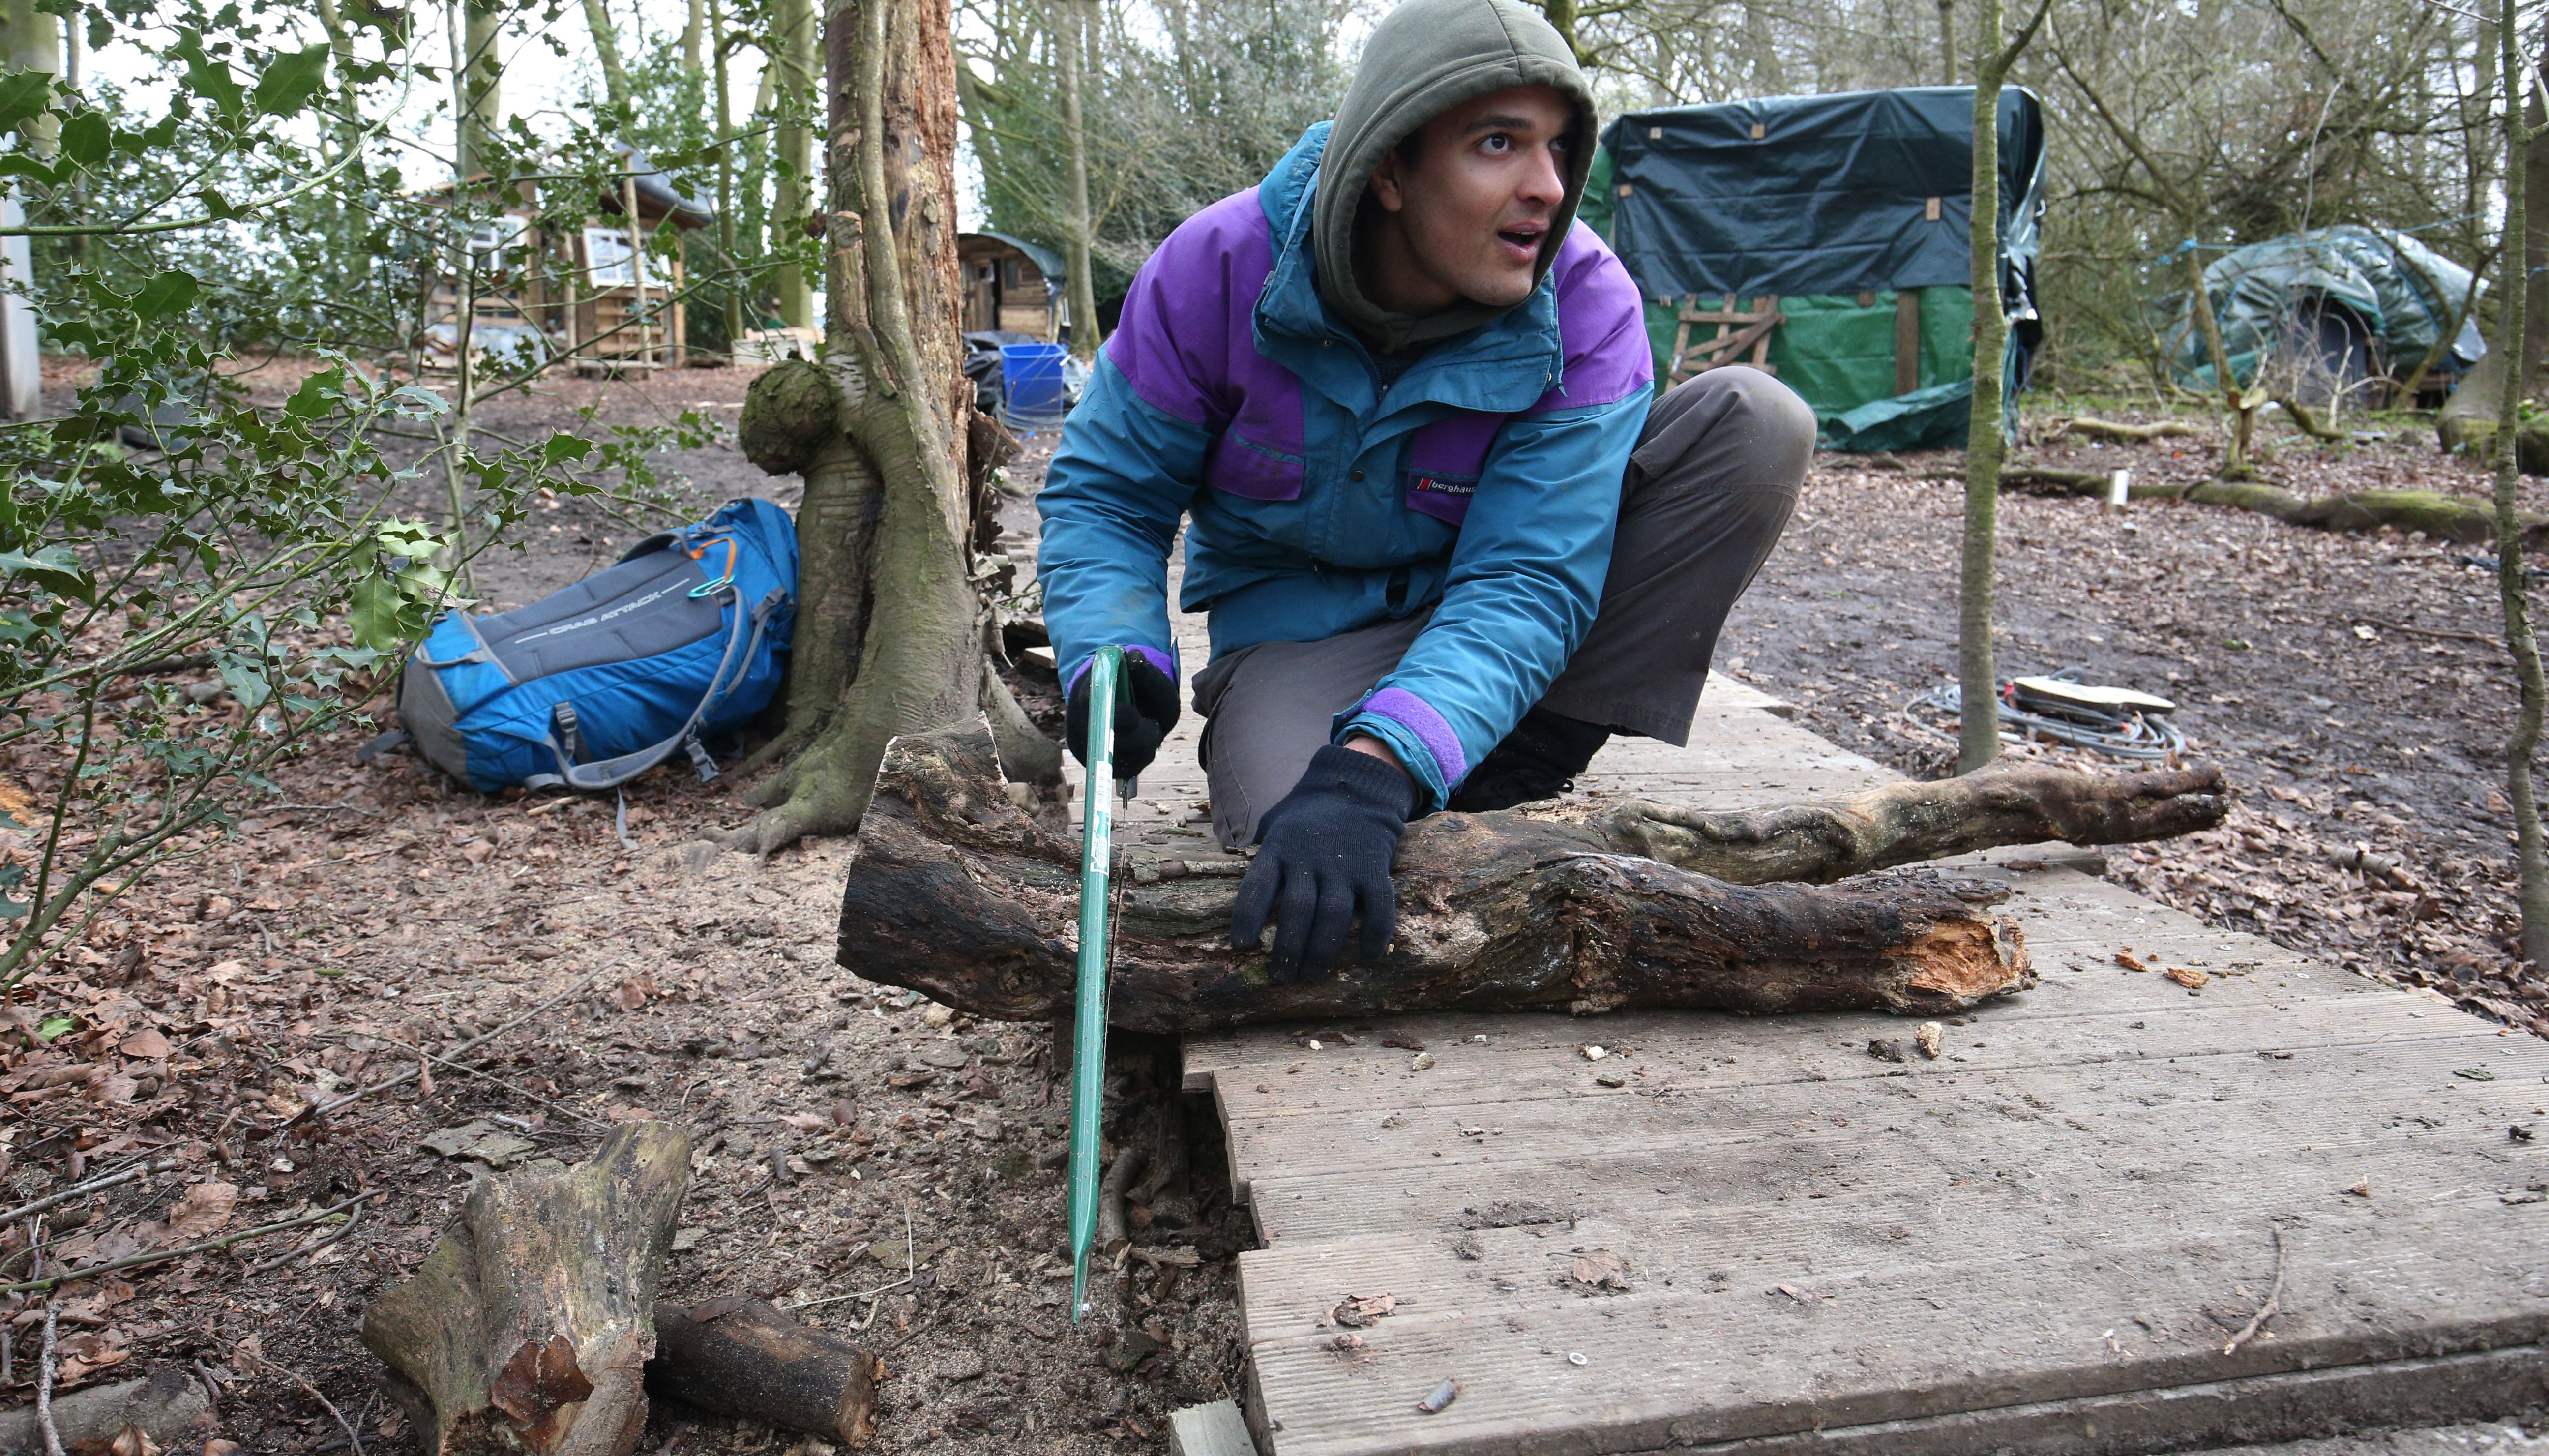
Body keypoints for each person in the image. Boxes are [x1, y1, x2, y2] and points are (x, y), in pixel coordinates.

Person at [1036, 0, 1815, 984]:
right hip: (1301, 639)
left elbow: (1530, 575)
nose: (1547, 186)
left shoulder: (1587, 299)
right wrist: (1113, 653)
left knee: (1757, 421)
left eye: (1561, 147)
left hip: (1501, 612)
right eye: (1499, 143)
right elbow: (1109, 497)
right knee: (1289, 840)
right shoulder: (1215, 268)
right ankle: (1439, 764)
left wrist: (1374, 766)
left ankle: (1519, 757)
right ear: (1392, 169)